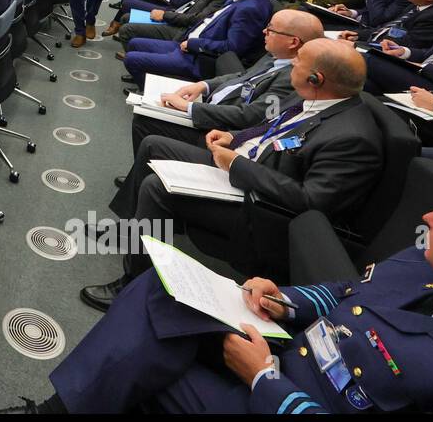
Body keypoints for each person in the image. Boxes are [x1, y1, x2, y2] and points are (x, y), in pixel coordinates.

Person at [0, 176, 433, 414]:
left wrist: (264, 381)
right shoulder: (424, 261)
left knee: (149, 354)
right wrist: (287, 301)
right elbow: (347, 289)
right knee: (163, 295)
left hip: (285, 404)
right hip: (281, 351)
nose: (426, 218)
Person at [89, 38, 386, 310]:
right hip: (247, 167)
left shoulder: (353, 137)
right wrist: (235, 137)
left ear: (316, 78)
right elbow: (272, 127)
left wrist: (236, 165)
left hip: (261, 208)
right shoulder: (319, 97)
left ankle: (132, 289)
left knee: (157, 187)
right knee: (154, 145)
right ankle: (132, 232)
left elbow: (311, 200)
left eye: (299, 62)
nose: (292, 64)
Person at [120, 8, 321, 159]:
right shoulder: (274, 56)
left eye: (271, 29)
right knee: (147, 112)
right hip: (212, 103)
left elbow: (253, 115)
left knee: (146, 122)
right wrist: (203, 85)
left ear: (293, 42)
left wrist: (191, 108)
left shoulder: (292, 78)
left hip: (221, 128)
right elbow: (242, 76)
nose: (264, 32)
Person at [122, 0, 273, 86]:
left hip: (199, 58)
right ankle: (152, 79)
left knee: (131, 58)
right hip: (187, 43)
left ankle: (152, 93)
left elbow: (232, 48)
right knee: (135, 43)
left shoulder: (251, 9)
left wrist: (193, 43)